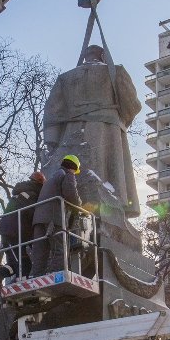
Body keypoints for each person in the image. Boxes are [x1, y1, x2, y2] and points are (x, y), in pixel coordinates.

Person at [41, 45, 141, 218]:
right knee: (109, 180)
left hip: (72, 133)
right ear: (102, 56)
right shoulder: (116, 72)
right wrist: (123, 120)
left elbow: (52, 113)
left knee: (73, 177)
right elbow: (131, 105)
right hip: (107, 130)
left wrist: (52, 142)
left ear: (85, 56)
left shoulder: (65, 78)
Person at [0, 171, 45, 287]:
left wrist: (0, 227)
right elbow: (31, 215)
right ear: (40, 184)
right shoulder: (32, 195)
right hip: (14, 234)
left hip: (11, 233)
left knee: (14, 265)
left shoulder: (20, 194)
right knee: (23, 265)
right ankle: (20, 284)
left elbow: (11, 213)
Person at [30, 155, 82, 277]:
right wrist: (79, 206)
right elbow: (71, 195)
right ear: (73, 167)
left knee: (40, 252)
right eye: (75, 170)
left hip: (38, 220)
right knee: (59, 249)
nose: (74, 172)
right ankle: (56, 275)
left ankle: (37, 277)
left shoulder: (52, 177)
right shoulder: (67, 174)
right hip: (53, 218)